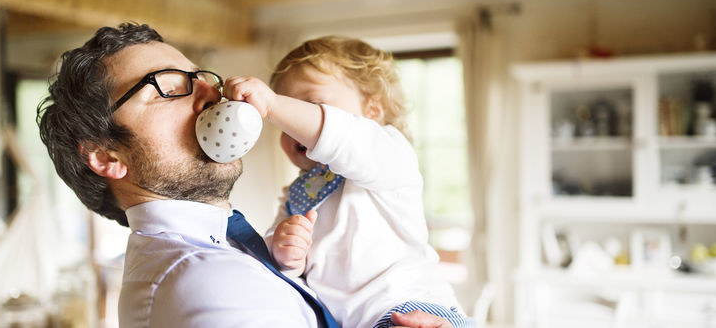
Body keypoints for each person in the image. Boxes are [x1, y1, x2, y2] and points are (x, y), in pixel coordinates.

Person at [37, 23, 459, 328]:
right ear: (106, 155)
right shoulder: (208, 283)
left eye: (200, 77)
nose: (210, 92)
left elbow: (351, 139)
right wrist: (288, 254)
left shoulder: (384, 158)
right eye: (166, 85)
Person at [223, 36, 473, 328]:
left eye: (312, 106)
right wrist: (285, 252)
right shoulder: (299, 193)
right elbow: (285, 269)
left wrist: (275, 104)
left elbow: (341, 137)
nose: (292, 122)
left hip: (412, 310)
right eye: (284, 118)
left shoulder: (389, 155)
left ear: (372, 112)